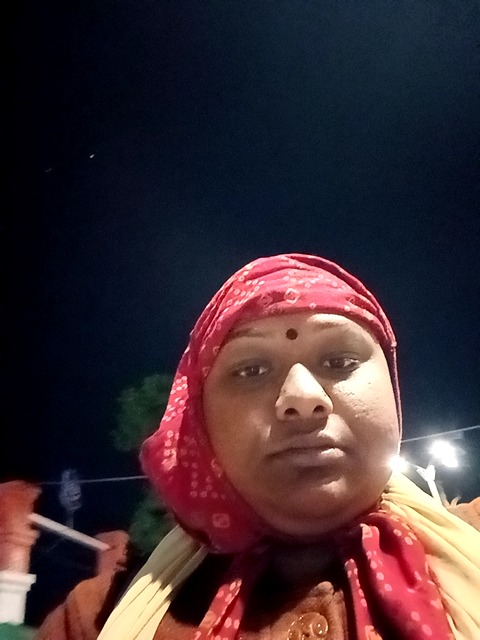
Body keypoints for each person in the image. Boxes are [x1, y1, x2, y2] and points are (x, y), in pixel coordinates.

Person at [38, 254, 480, 640]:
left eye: (340, 361)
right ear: (201, 421)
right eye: (251, 370)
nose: (303, 398)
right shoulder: (96, 617)